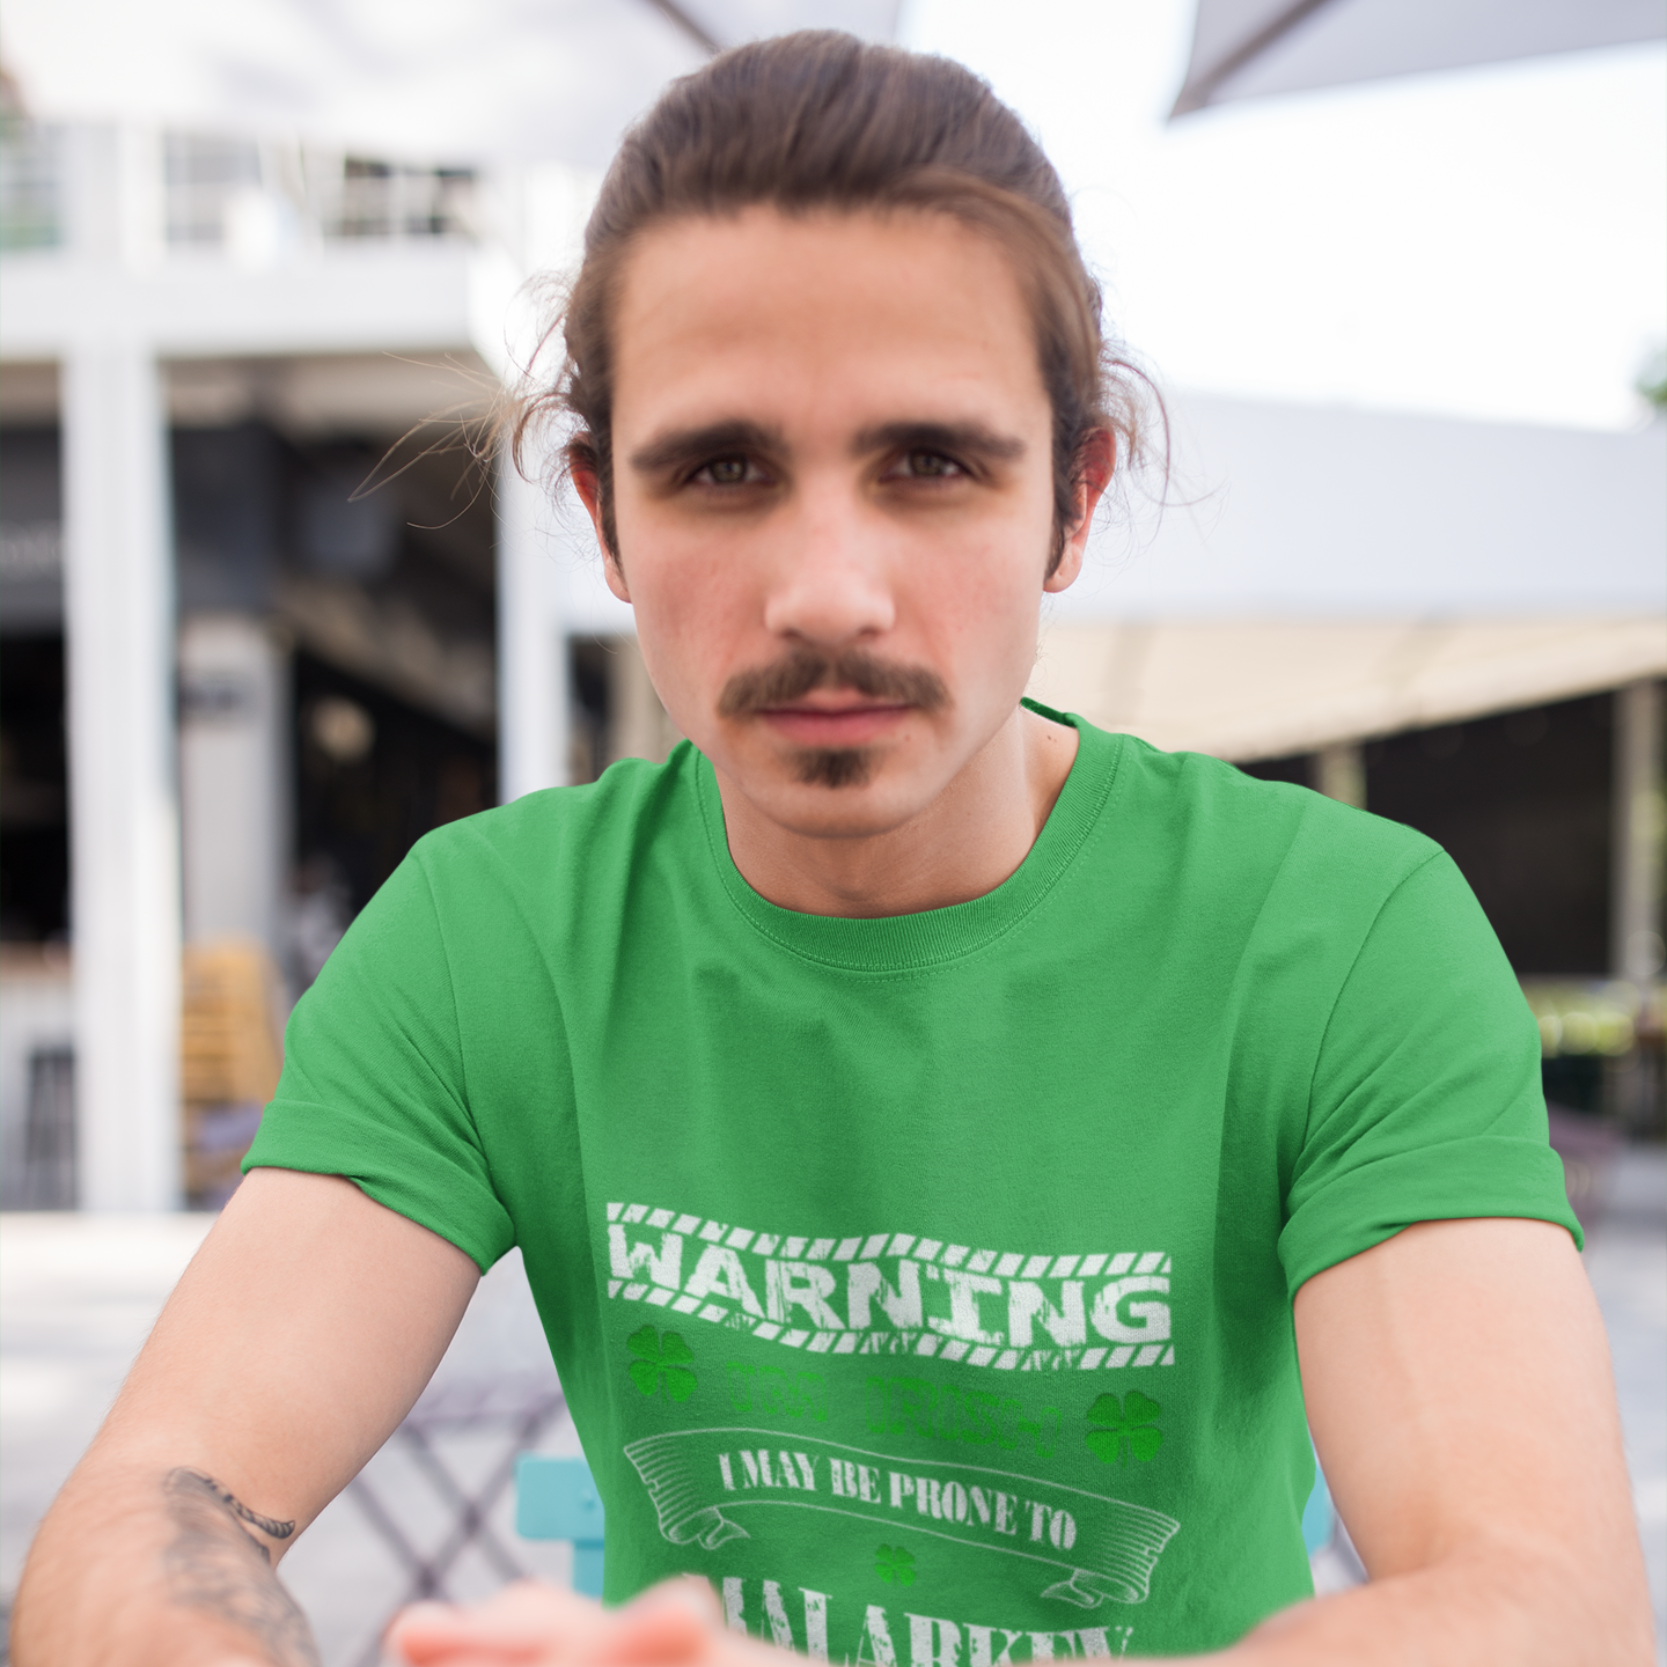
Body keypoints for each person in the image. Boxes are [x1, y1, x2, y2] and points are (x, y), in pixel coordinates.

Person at [13, 31, 1651, 1667]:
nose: (825, 589)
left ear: (1072, 501)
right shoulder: (492, 933)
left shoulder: (1332, 932)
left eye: (928, 464)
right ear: (603, 518)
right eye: (721, 469)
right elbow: (143, 1509)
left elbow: (1543, 1612)